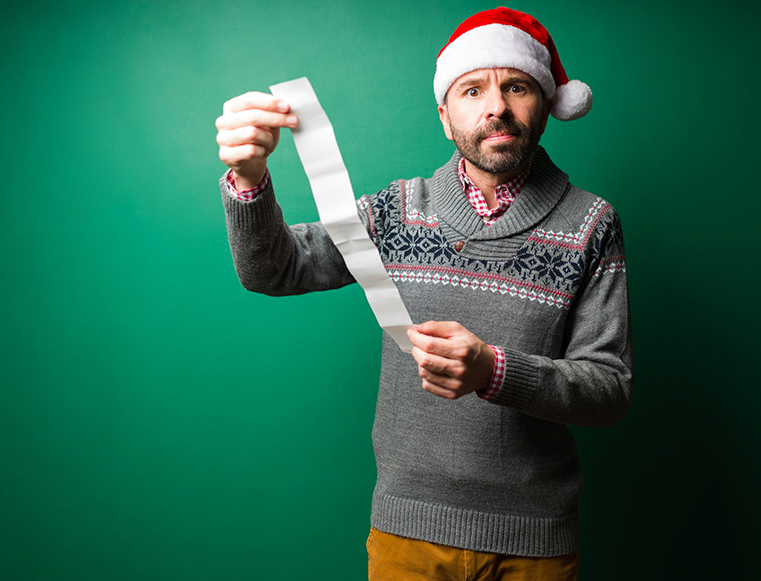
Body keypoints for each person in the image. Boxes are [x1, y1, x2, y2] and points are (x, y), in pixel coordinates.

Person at [215, 7, 632, 580]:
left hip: (535, 541)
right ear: (444, 115)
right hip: (406, 533)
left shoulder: (592, 223)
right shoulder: (396, 211)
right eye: (471, 90)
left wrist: (494, 370)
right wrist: (249, 180)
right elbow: (274, 269)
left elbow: (609, 389)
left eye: (516, 86)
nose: (496, 108)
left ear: (544, 102)